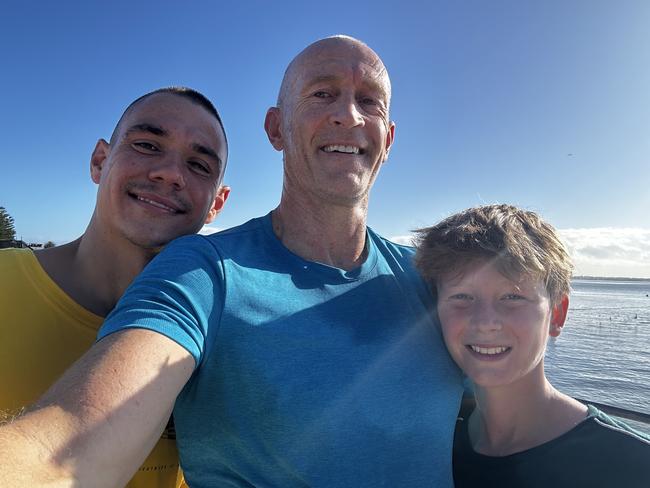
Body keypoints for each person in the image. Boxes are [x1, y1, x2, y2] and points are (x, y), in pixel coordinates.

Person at [0, 36, 462, 487]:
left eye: (370, 100)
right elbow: (63, 452)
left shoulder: (435, 281)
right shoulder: (201, 272)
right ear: (276, 128)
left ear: (390, 138)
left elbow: (517, 416)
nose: (348, 114)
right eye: (322, 93)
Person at [0, 86, 230, 488]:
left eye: (199, 165)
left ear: (217, 203)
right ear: (100, 160)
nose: (171, 173)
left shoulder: (225, 334)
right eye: (146, 144)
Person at [414, 204, 650, 487]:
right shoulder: (437, 444)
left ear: (557, 314)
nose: (485, 322)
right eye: (462, 296)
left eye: (512, 297)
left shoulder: (630, 464)